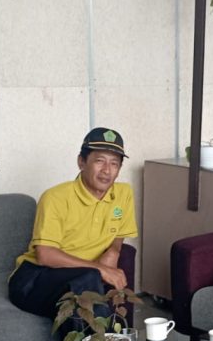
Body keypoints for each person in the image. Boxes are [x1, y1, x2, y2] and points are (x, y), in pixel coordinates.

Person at [9, 127, 138, 327]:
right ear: (81, 162)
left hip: (83, 276)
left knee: (109, 266)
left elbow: (120, 233)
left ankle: (115, 340)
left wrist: (114, 250)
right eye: (99, 161)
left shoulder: (123, 193)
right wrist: (100, 268)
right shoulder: (55, 198)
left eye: (114, 163)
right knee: (88, 279)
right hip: (35, 279)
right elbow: (45, 255)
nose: (107, 170)